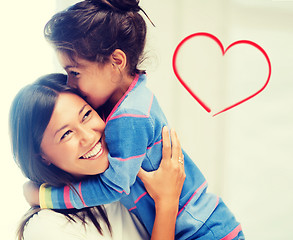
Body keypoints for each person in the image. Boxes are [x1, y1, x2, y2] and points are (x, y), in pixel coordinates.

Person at [25, 0, 245, 239]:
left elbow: (113, 186)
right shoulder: (134, 95)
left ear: (116, 62)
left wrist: (45, 196)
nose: (70, 83)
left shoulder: (128, 117)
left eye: (75, 72)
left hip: (203, 231)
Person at [10, 73, 186, 240]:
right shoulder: (47, 228)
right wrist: (167, 202)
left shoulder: (125, 173)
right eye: (66, 134)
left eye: (86, 115)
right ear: (42, 158)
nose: (88, 136)